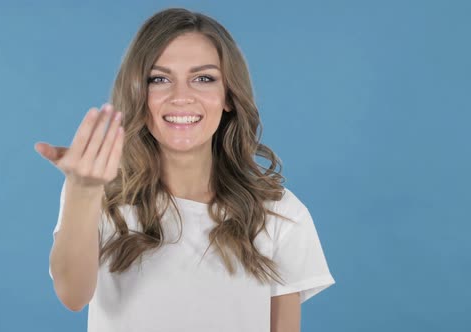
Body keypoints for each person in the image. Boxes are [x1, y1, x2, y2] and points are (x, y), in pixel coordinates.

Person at [34, 7, 335, 332]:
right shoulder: (95, 194)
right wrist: (83, 190)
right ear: (139, 92)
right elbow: (72, 295)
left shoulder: (280, 213)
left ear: (228, 96)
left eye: (203, 78)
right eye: (159, 79)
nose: (181, 97)